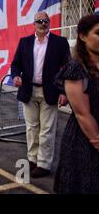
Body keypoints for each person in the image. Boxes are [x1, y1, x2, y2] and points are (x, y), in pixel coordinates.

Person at [11, 11, 71, 178]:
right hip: (29, 91)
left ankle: (44, 164)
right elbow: (15, 64)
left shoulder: (60, 43)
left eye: (46, 21)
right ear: (34, 24)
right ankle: (32, 160)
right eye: (39, 21)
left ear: (49, 23)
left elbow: (67, 69)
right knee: (31, 128)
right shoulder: (25, 42)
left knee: (47, 129)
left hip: (50, 92)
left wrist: (64, 92)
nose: (43, 24)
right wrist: (15, 76)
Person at [53, 14, 99, 194]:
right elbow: (82, 113)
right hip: (84, 140)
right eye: (98, 33)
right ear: (82, 36)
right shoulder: (76, 69)